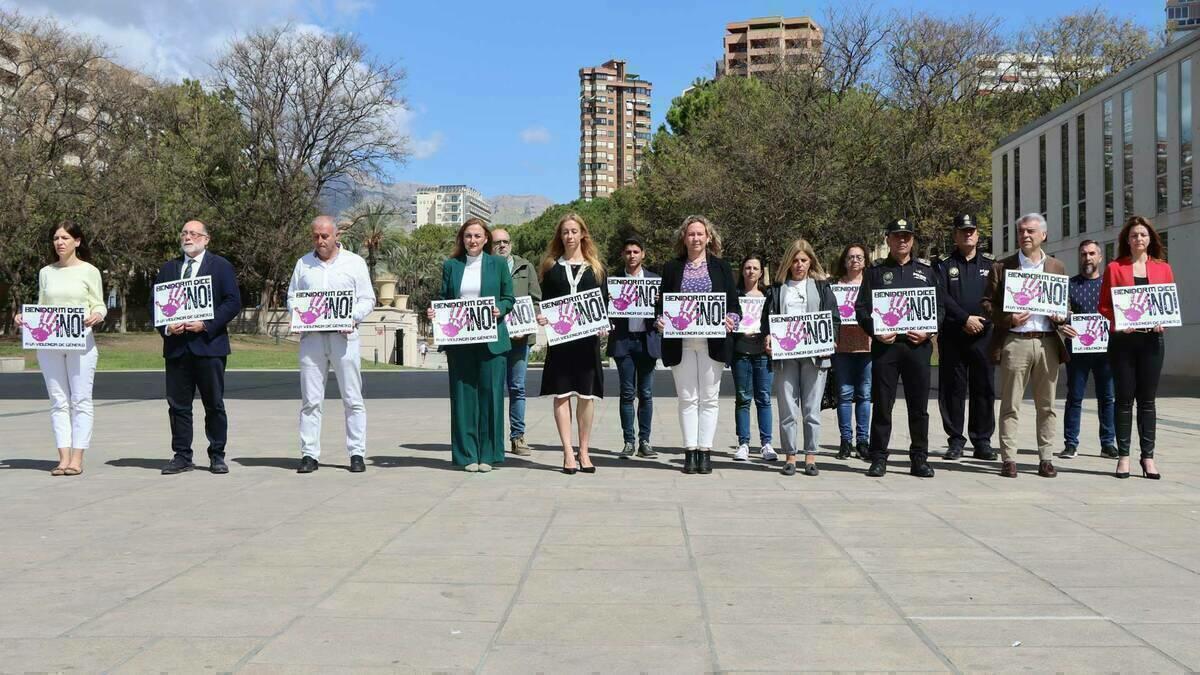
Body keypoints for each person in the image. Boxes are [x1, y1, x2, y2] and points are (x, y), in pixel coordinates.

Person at [981, 213, 1074, 479]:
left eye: (1031, 231)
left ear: (1043, 235)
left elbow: (1064, 304)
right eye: (1021, 231)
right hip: (1015, 341)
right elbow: (986, 303)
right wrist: (1007, 318)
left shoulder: (1056, 266)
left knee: (1047, 406)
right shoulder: (1002, 267)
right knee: (1010, 404)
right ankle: (1008, 458)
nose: (1025, 235)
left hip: (1047, 343)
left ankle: (1046, 458)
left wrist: (1061, 315)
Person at [854, 218, 944, 478]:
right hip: (887, 348)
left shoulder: (926, 272)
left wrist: (928, 330)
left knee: (918, 406)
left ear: (912, 240)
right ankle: (879, 457)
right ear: (888, 240)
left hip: (918, 347)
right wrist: (876, 331)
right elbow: (861, 309)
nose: (902, 240)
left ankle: (919, 459)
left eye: (906, 236)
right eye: (897, 236)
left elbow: (939, 308)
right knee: (883, 404)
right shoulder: (876, 272)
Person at [287, 215, 376, 474]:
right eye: (315, 236)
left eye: (325, 236)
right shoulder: (303, 264)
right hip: (312, 340)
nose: (320, 241)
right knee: (311, 400)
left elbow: (367, 299)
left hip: (344, 338)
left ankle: (357, 453)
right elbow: (292, 297)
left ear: (337, 236)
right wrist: (299, 313)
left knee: (352, 397)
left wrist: (353, 317)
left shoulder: (355, 263)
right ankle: (309, 454)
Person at [15, 222, 106, 476]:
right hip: (50, 345)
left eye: (65, 237)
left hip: (81, 344)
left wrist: (97, 315)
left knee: (80, 400)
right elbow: (42, 307)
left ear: (77, 241)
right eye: (56, 238)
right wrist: (24, 318)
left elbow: (99, 304)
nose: (60, 242)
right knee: (58, 401)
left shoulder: (90, 271)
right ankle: (63, 458)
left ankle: (77, 458)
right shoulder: (46, 272)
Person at [426, 218, 515, 472]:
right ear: (462, 239)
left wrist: (501, 308)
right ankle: (466, 455)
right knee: (463, 398)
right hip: (460, 343)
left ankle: (488, 454)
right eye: (468, 236)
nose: (472, 241)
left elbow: (509, 298)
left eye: (477, 236)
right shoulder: (451, 266)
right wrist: (434, 312)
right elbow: (444, 299)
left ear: (486, 239)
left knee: (491, 397)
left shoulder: (497, 264)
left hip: (492, 342)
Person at [156, 220, 243, 475]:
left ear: (206, 239)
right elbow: (156, 304)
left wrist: (206, 324)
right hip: (176, 348)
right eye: (184, 233)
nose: (187, 237)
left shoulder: (221, 266)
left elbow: (232, 302)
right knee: (178, 406)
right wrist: (166, 327)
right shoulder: (169, 269)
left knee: (213, 404)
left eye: (194, 233)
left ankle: (217, 455)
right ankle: (182, 455)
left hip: (209, 346)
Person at [656, 215, 739, 475]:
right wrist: (660, 320)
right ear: (684, 237)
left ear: (708, 237)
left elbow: (734, 306)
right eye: (691, 234)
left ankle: (705, 451)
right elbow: (661, 306)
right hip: (681, 343)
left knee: (710, 398)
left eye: (700, 234)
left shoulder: (722, 267)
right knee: (687, 398)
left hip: (711, 343)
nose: (695, 238)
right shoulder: (671, 268)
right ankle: (690, 451)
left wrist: (730, 320)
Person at [1098, 216, 1174, 480]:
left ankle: (1148, 457)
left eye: (1143, 235)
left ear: (1150, 238)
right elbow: (1104, 306)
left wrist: (1162, 321)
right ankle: (1123, 457)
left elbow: (1167, 303)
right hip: (1123, 342)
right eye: (1134, 235)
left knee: (1148, 401)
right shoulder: (1115, 268)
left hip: (1152, 341)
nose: (1138, 239)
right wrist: (1120, 322)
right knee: (1123, 400)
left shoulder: (1163, 268)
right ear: (1126, 240)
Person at [536, 213, 606, 474]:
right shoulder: (551, 267)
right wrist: (542, 316)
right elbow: (546, 301)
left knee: (586, 397)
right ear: (560, 236)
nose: (570, 236)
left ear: (582, 234)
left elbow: (604, 304)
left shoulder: (596, 268)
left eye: (574, 231)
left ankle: (584, 451)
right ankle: (567, 452)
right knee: (562, 395)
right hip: (562, 342)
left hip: (587, 342)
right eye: (565, 232)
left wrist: (602, 324)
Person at [763, 239, 839, 476]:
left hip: (815, 356)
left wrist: (831, 340)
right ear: (788, 262)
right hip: (786, 356)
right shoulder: (777, 288)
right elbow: (767, 319)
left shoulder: (821, 287)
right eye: (795, 260)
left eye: (803, 260)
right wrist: (767, 337)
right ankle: (790, 456)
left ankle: (811, 456)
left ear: (810, 262)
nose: (799, 265)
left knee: (811, 408)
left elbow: (833, 318)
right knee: (787, 407)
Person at [934, 214, 998, 462]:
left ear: (978, 235)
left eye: (971, 231)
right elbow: (941, 296)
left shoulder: (992, 265)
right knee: (952, 390)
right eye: (963, 231)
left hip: (984, 335)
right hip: (953, 335)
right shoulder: (942, 265)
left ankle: (982, 441)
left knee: (983, 388)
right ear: (955, 236)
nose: (968, 234)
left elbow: (996, 296)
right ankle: (955, 441)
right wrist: (964, 320)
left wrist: (980, 320)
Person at [1062, 239, 1117, 460]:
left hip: (1106, 351)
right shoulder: (1069, 285)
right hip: (1077, 350)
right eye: (1084, 254)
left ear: (1100, 257)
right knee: (1074, 397)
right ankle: (1070, 443)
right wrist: (1063, 324)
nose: (1088, 258)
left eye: (1092, 254)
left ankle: (1108, 444)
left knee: (1107, 397)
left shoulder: (1110, 285)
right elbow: (1061, 313)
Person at [607, 237, 661, 459]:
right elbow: (603, 311)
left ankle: (645, 442)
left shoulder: (655, 280)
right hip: (623, 341)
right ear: (623, 255)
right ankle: (628, 441)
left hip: (647, 341)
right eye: (628, 252)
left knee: (646, 393)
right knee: (627, 393)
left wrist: (658, 302)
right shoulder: (613, 282)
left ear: (643, 254)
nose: (632, 255)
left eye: (636, 251)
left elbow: (666, 311)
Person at [491, 227, 542, 456]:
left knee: (517, 388)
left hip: (521, 340)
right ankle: (492, 439)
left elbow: (536, 300)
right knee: (492, 389)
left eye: (506, 241)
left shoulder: (525, 266)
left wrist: (527, 325)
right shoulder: (485, 268)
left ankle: (518, 438)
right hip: (493, 337)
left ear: (511, 244)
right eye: (497, 242)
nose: (502, 245)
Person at [731, 253, 775, 462]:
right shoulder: (734, 295)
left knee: (764, 398)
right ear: (742, 270)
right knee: (743, 399)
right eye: (747, 268)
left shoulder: (769, 295)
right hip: (740, 352)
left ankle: (766, 443)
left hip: (763, 354)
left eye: (755, 268)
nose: (751, 272)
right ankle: (743, 443)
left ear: (761, 272)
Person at [830, 244, 871, 461]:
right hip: (842, 346)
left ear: (865, 260)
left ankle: (863, 441)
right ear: (844, 261)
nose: (855, 260)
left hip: (867, 345)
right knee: (844, 394)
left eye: (859, 257)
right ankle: (845, 441)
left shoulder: (872, 283)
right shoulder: (834, 285)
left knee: (864, 394)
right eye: (850, 257)